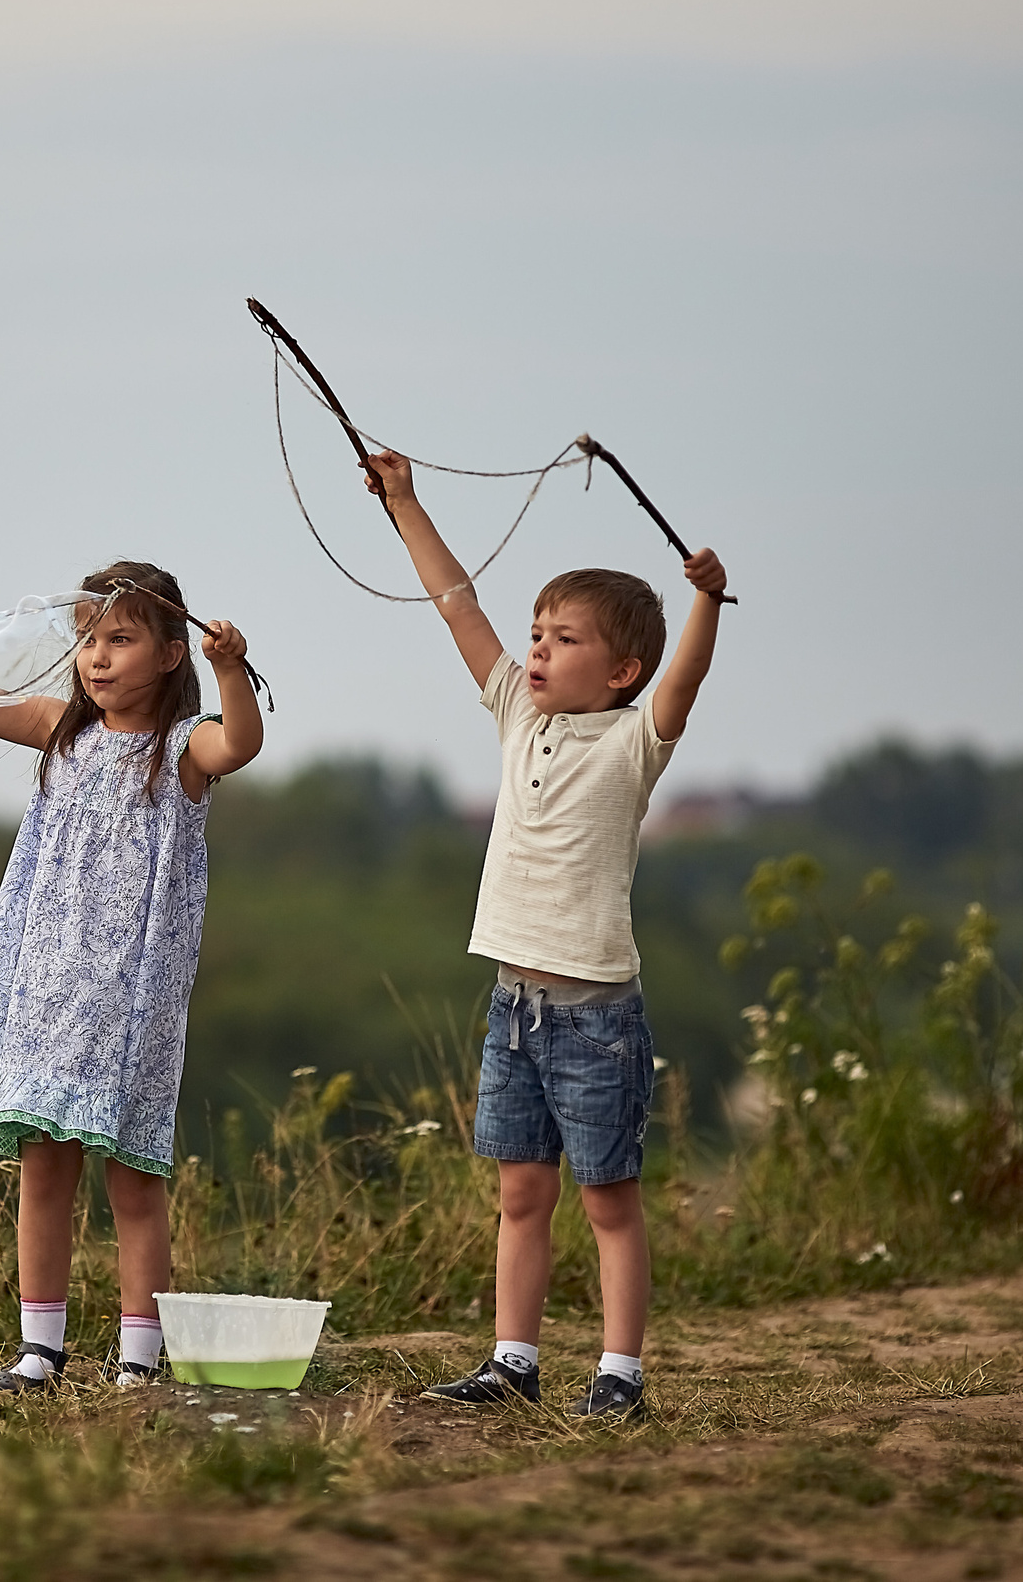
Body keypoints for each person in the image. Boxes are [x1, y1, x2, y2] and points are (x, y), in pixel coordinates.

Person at [360, 448, 727, 1421]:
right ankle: (511, 1363)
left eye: (562, 639)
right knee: (520, 1194)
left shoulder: (633, 741)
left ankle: (618, 1376)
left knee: (608, 1202)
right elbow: (456, 603)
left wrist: (704, 602)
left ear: (620, 670)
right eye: (536, 633)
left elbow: (683, 686)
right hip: (511, 1007)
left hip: (595, 1016)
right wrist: (404, 503)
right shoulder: (517, 713)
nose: (535, 649)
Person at [0, 560, 264, 1390]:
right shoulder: (58, 730)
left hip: (131, 999)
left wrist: (232, 669)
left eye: (120, 639)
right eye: (86, 641)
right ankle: (41, 1349)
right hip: (43, 987)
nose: (97, 658)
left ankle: (140, 1360)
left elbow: (241, 742)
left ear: (170, 654)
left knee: (134, 1180)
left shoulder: (180, 751)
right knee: (43, 1167)